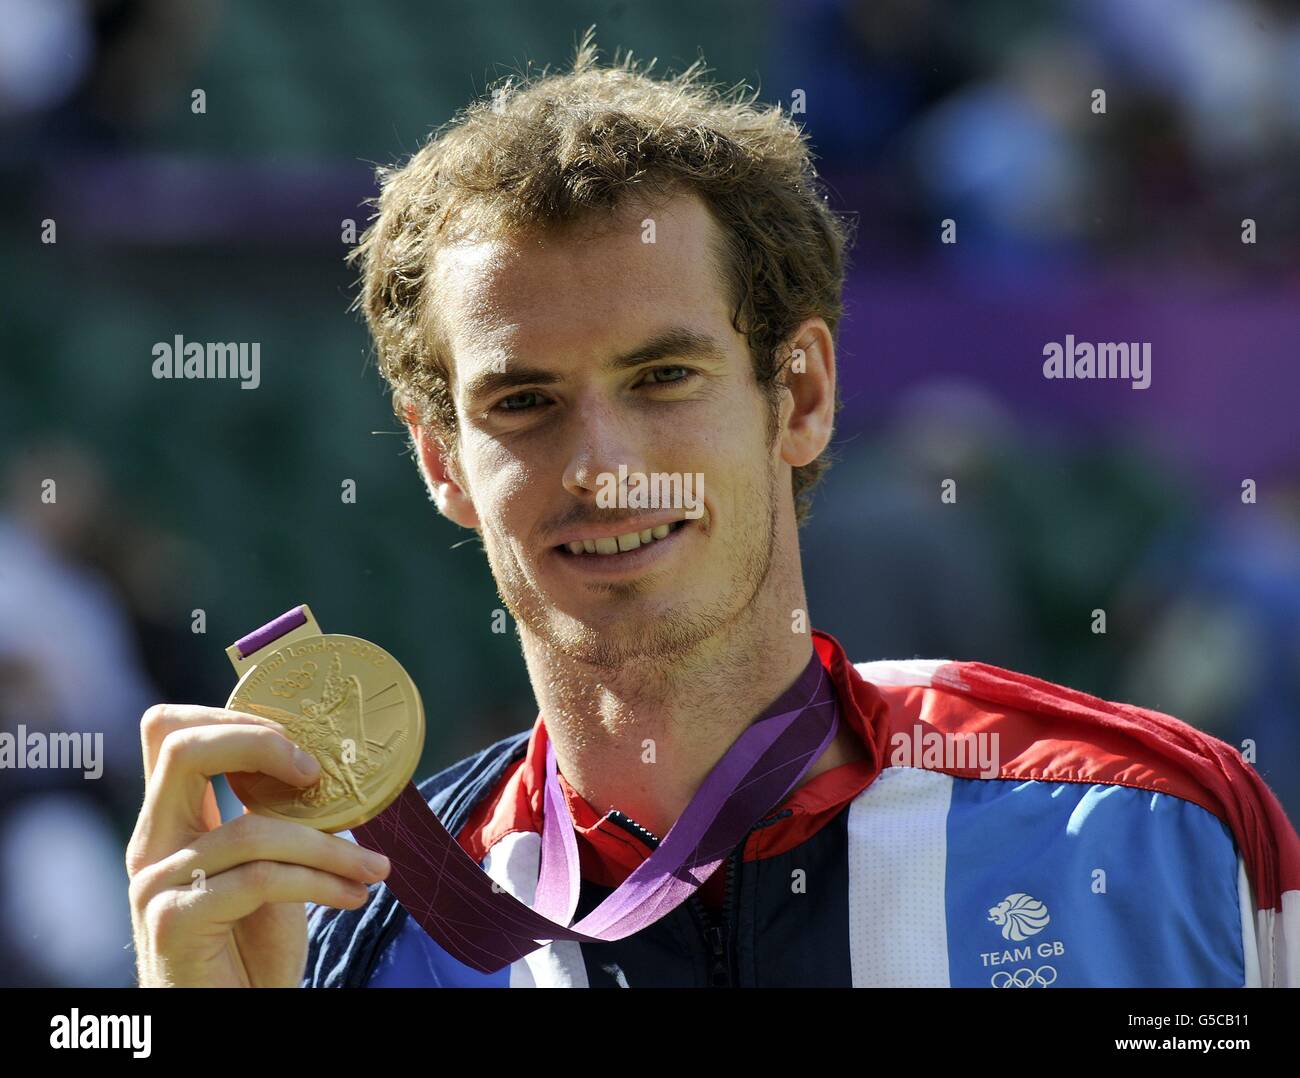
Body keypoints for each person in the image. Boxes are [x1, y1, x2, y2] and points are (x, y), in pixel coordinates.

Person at [127, 34, 1300, 988]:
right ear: (441, 459)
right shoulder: (360, 933)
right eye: (524, 401)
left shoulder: (1151, 833)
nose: (602, 464)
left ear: (799, 395)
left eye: (662, 378)